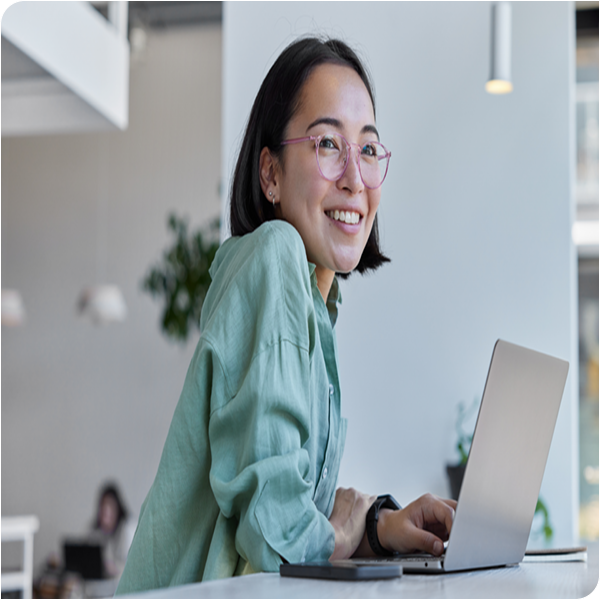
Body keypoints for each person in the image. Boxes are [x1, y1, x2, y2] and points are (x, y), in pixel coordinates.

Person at [116, 36, 456, 595]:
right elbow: (277, 537)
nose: (354, 176)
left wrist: (377, 527)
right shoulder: (273, 255)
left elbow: (294, 510)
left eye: (368, 149)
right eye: (327, 144)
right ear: (269, 174)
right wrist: (345, 531)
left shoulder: (316, 305)